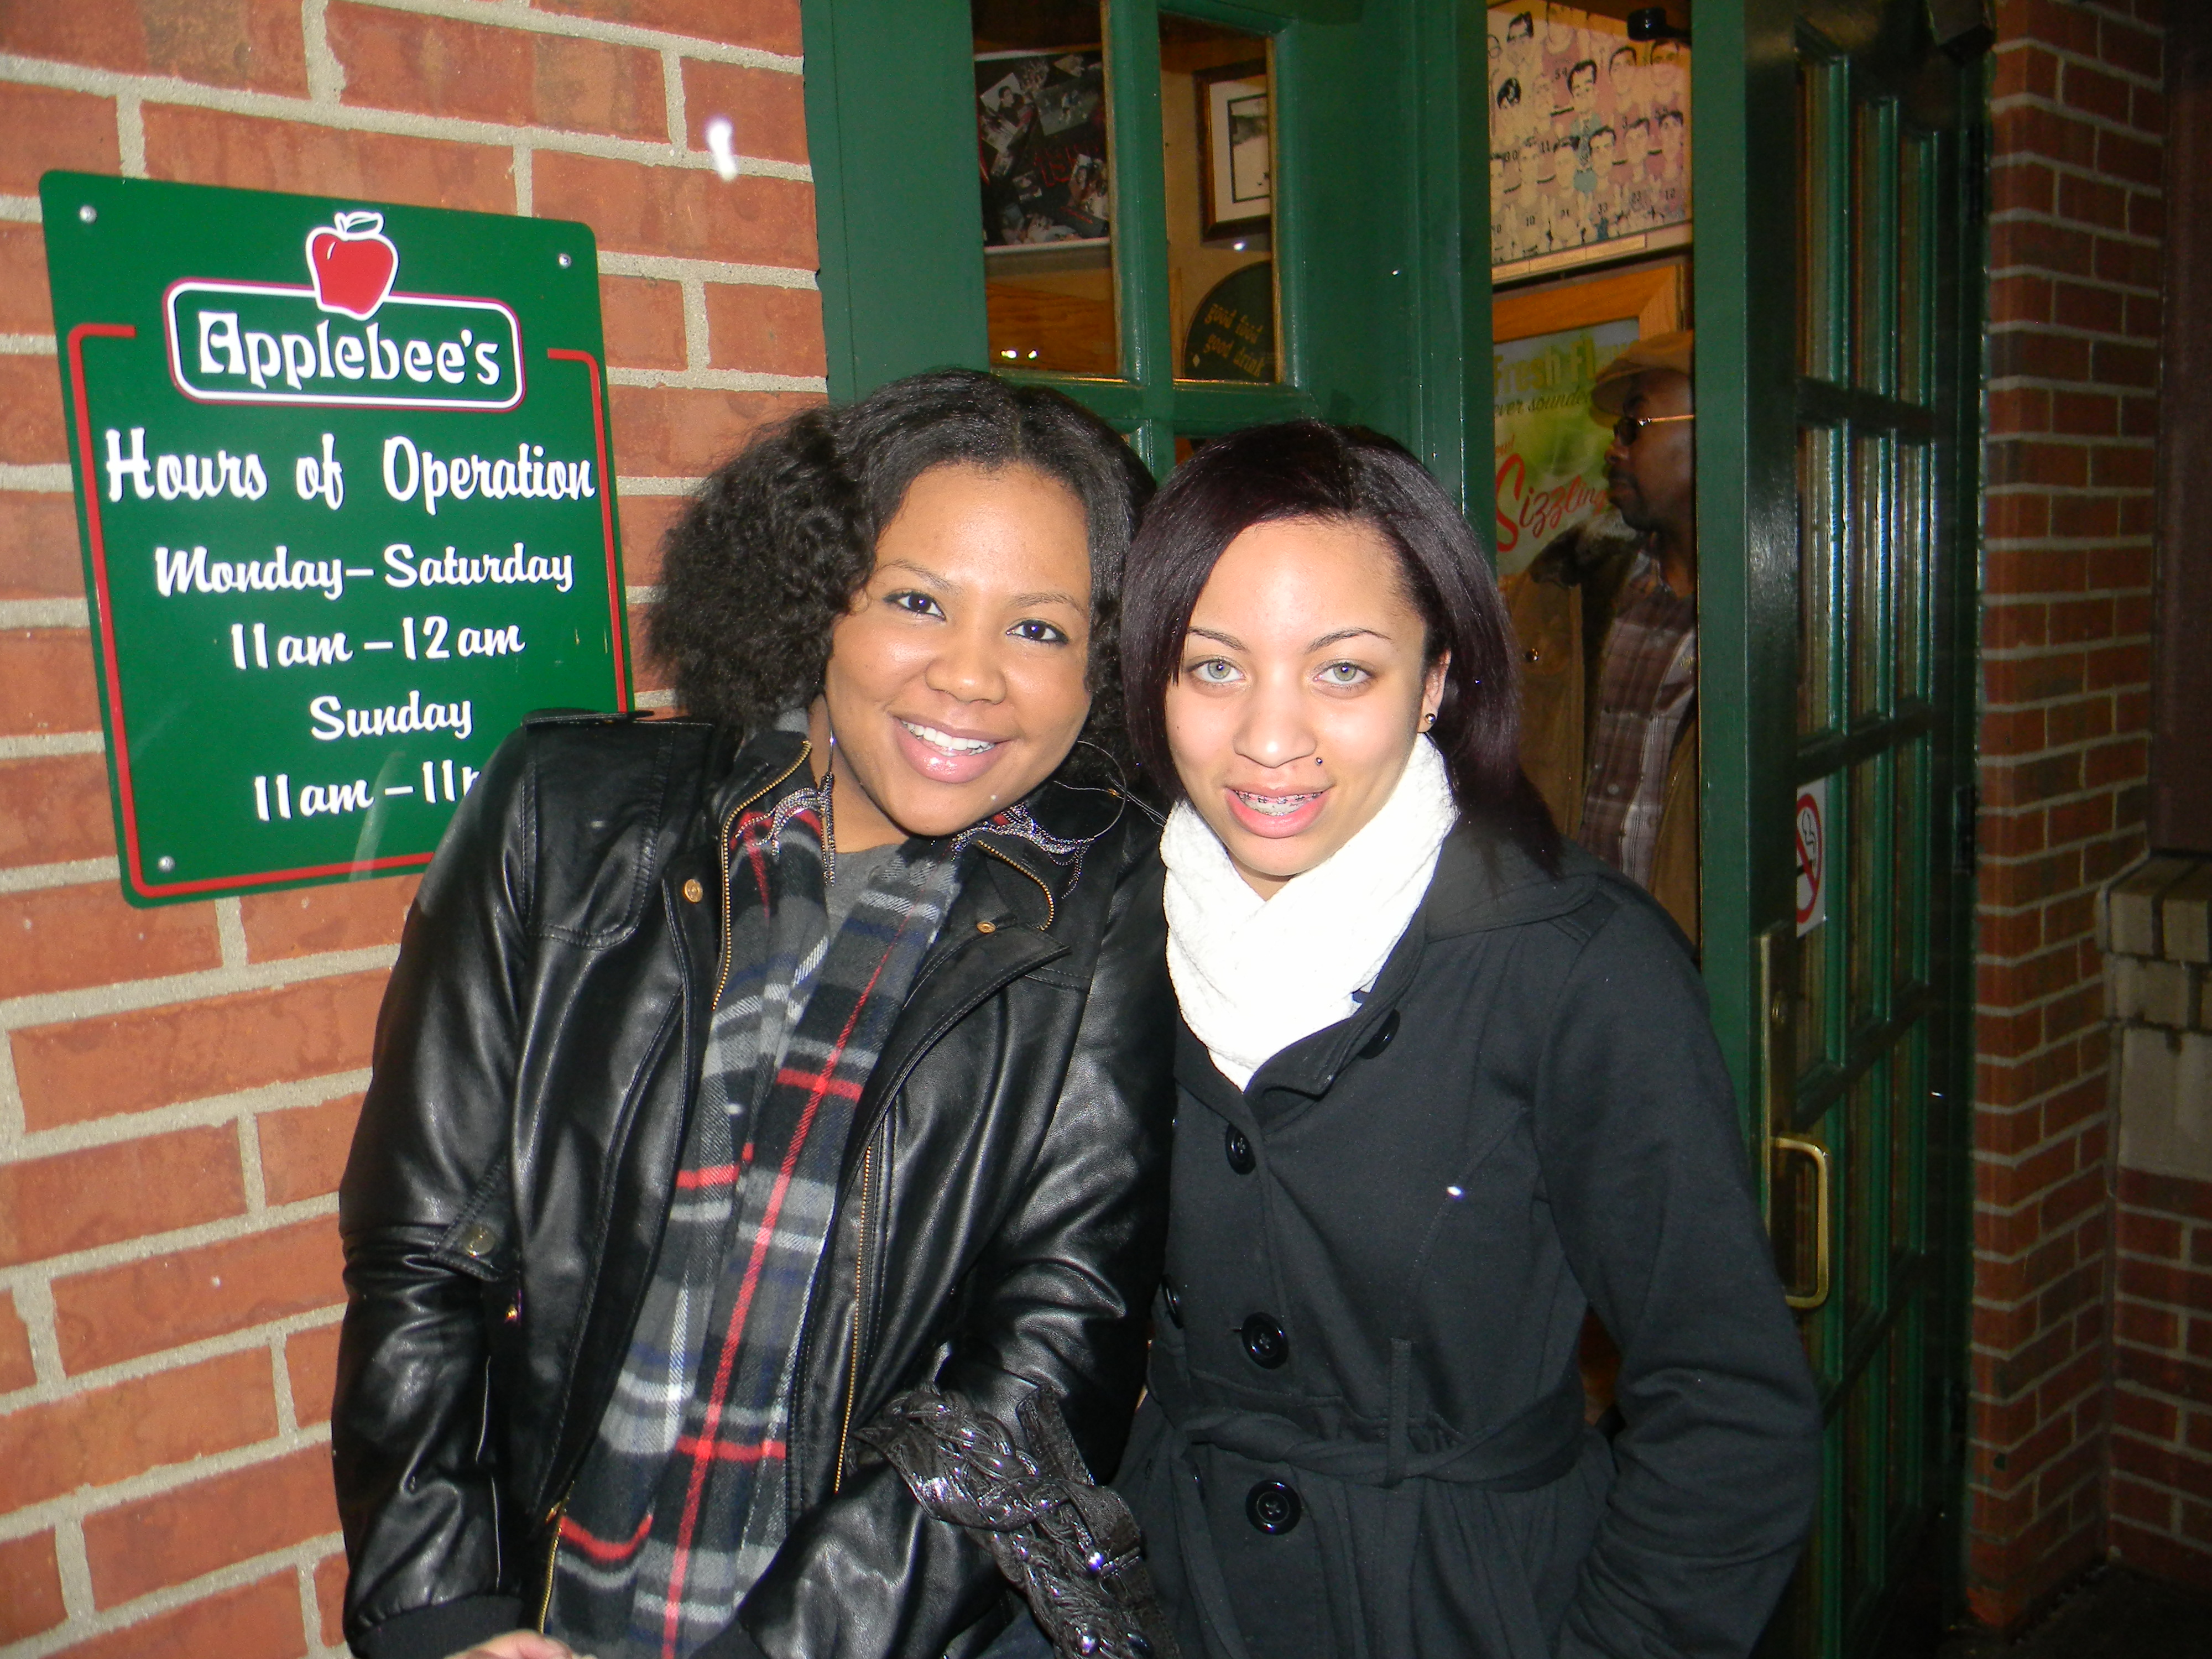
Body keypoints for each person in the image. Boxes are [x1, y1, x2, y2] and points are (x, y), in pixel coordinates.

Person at [332, 370, 1178, 1659]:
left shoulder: (1110, 894)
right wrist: (442, 1610)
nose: (971, 677)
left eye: (1039, 629)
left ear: (1101, 666)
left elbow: (1047, 1361)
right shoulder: (564, 816)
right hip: (547, 1606)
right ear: (812, 595)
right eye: (915, 600)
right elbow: (424, 1248)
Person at [1108, 420, 1819, 1659]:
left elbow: (1732, 1410)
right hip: (1176, 1596)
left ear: (1435, 679)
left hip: (1462, 1603)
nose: (1269, 738)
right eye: (1213, 667)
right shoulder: (1119, 934)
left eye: (1343, 671)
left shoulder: (1572, 966)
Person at [1503, 330, 1702, 946]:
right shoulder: (1563, 587)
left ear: (1718, 431)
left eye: (1634, 427)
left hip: (1694, 963)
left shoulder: (1790, 612)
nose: (1614, 449)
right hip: (1562, 948)